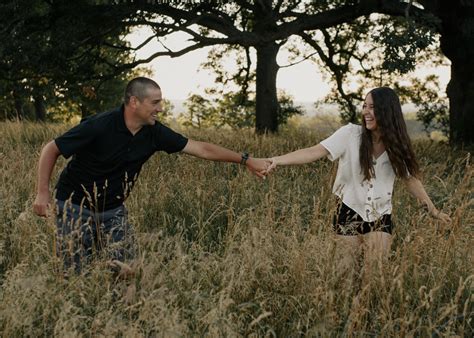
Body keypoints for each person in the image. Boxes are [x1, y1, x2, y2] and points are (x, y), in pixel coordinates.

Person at [33, 76, 269, 273]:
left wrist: (245, 160)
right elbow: (51, 149)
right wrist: (42, 193)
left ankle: (127, 319)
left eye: (161, 102)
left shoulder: (155, 133)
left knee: (129, 269)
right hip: (74, 206)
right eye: (155, 102)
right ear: (134, 102)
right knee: (73, 274)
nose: (160, 108)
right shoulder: (100, 125)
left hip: (113, 210)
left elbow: (202, 149)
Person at [265, 87, 451, 271]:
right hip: (347, 211)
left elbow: (410, 179)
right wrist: (276, 160)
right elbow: (314, 151)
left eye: (372, 107)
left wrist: (434, 211)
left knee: (373, 279)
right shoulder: (350, 134)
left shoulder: (397, 143)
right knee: (345, 278)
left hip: (381, 215)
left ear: (387, 111)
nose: (366, 112)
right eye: (364, 106)